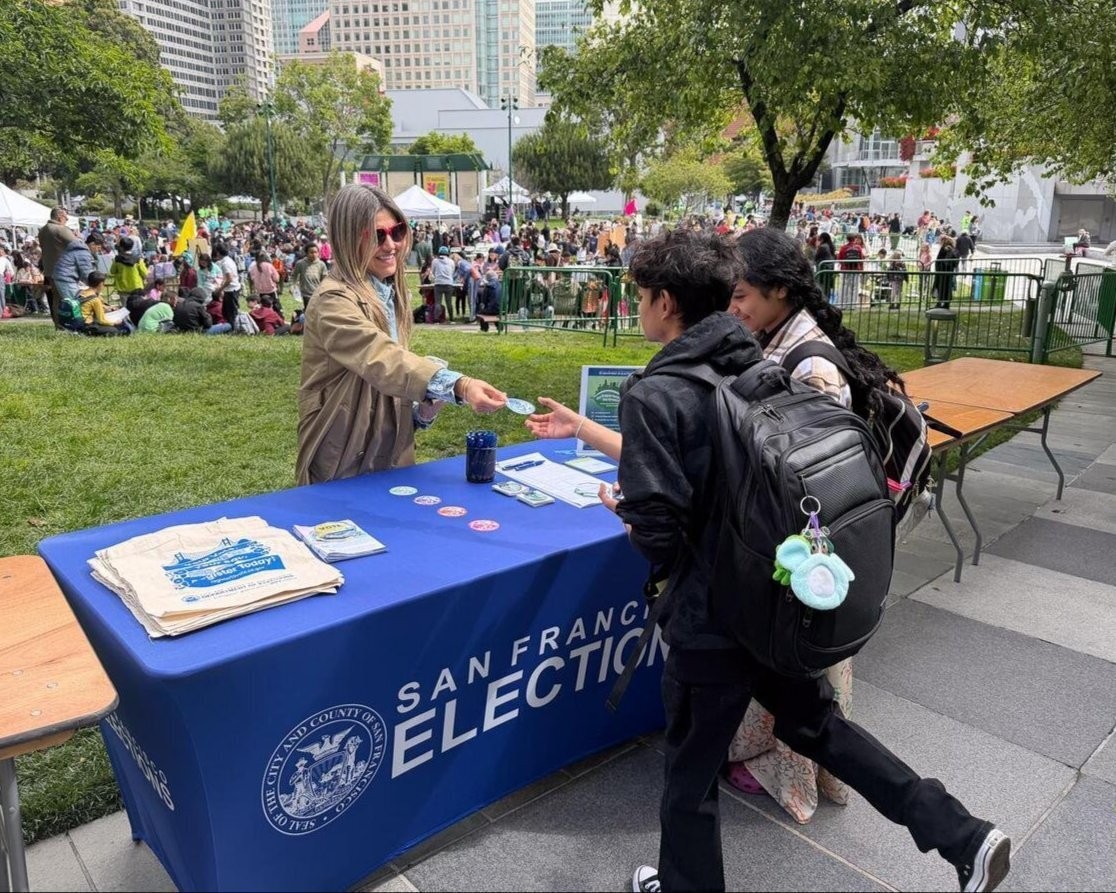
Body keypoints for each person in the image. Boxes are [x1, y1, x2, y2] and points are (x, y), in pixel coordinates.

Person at [525, 228, 1011, 893]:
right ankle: (962, 833)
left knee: (689, 776)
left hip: (712, 618)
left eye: (640, 296)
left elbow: (660, 529)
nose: (637, 307)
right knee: (819, 727)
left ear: (666, 303)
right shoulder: (754, 362)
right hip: (774, 595)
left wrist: (629, 515)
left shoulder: (656, 394)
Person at [295, 184, 507, 485]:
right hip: (343, 459)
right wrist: (458, 384)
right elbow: (381, 358)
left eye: (397, 232)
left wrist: (423, 411)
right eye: (377, 235)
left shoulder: (389, 292)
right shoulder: (332, 300)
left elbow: (389, 382)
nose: (391, 244)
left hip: (390, 454)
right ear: (347, 239)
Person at [75, 271, 130, 336]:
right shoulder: (95, 299)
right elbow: (101, 320)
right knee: (120, 330)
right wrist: (115, 323)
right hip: (87, 326)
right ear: (100, 284)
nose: (104, 286)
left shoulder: (81, 292)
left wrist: (108, 307)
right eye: (104, 284)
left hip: (79, 323)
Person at [293, 243, 328, 308]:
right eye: (311, 252)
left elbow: (324, 278)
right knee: (308, 309)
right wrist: (293, 286)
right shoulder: (300, 263)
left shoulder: (321, 264)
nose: (314, 254)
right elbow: (294, 275)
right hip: (306, 293)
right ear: (306, 253)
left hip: (317, 293)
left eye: (315, 252)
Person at [933, 235, 960, 308]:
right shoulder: (954, 250)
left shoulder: (945, 249)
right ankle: (945, 304)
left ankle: (941, 303)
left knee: (941, 287)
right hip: (948, 272)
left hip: (943, 272)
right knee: (946, 288)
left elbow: (939, 260)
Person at [432, 245, 456, 322]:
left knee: (438, 302)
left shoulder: (435, 261)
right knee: (449, 302)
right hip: (449, 283)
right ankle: (451, 318)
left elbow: (433, 271)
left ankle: (436, 319)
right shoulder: (451, 261)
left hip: (438, 283)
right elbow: (452, 271)